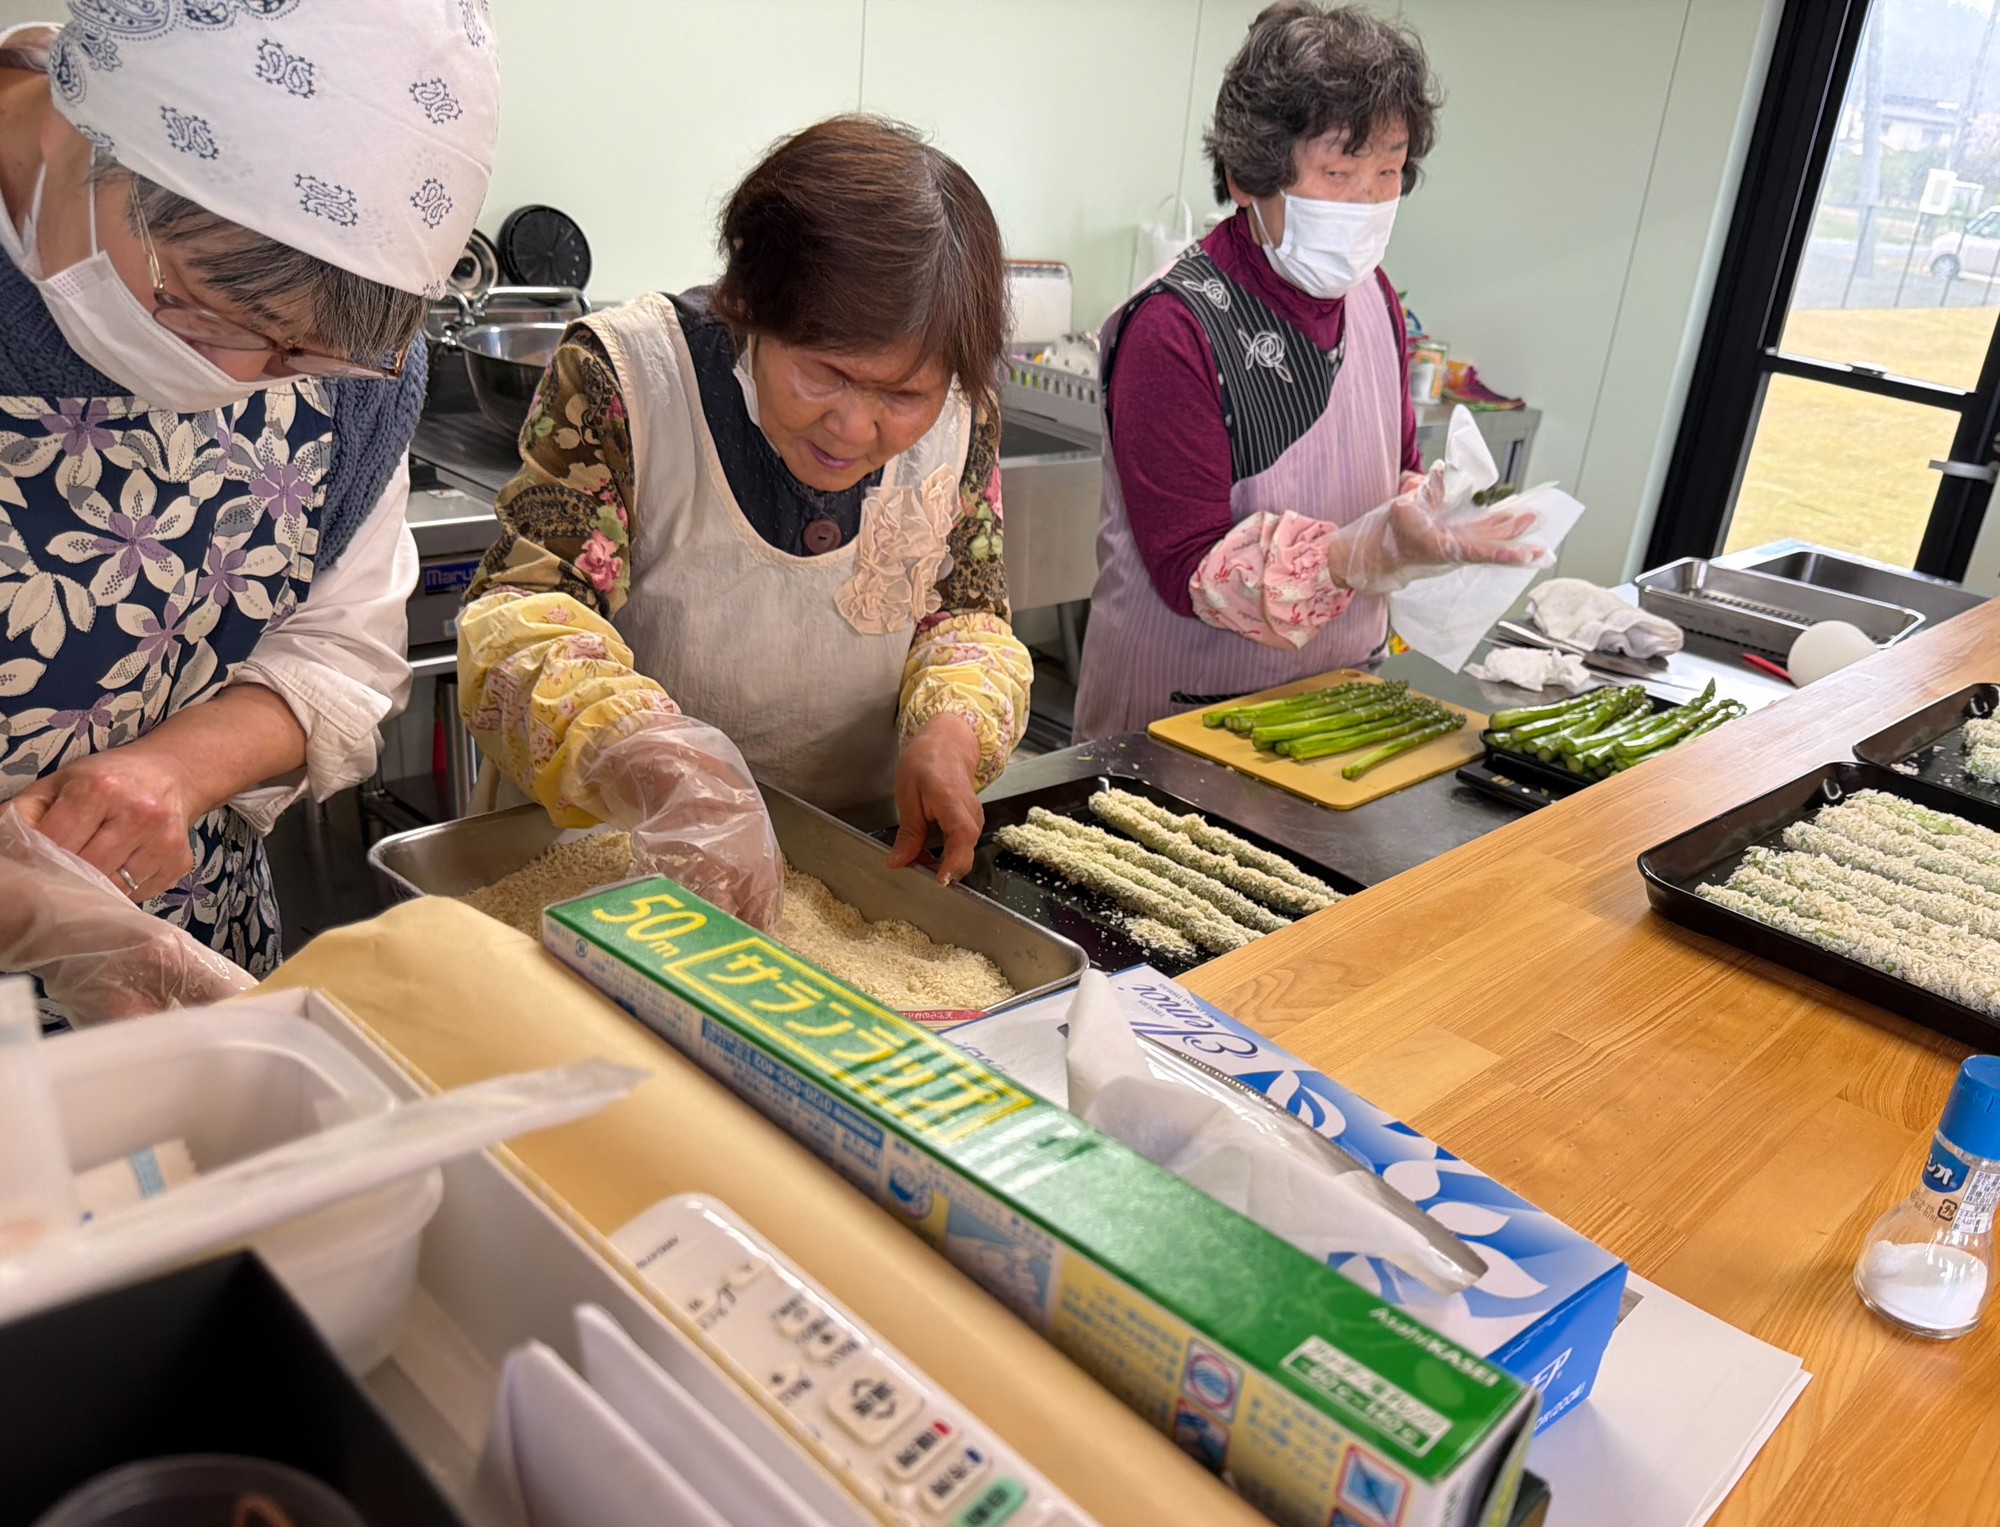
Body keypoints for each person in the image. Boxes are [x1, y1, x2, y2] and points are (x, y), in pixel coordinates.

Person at [0, 2, 499, 1015]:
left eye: (305, 357)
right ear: (81, 138)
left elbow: (338, 652)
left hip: (188, 967)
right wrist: (30, 911)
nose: (248, 379)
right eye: (212, 312)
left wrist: (174, 771)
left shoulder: (347, 368)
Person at [458, 117, 1032, 920]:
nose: (857, 429)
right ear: (751, 307)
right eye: (826, 375)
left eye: (904, 396)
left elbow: (963, 610)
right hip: (617, 857)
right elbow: (519, 620)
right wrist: (661, 764)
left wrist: (953, 727)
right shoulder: (628, 377)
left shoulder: (963, 413)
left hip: (848, 870)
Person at [1075, 1, 1541, 740]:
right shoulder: (1174, 324)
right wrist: (1359, 553)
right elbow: (1187, 568)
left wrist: (1430, 514)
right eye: (1337, 171)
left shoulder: (1376, 299)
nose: (1367, 202)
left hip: (1343, 702)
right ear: (1249, 174)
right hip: (1185, 718)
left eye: (1387, 170)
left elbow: (1399, 468)